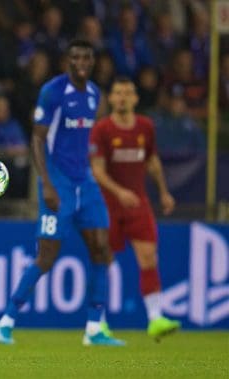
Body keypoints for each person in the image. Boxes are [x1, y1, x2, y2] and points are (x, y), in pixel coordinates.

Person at [0, 39, 125, 346]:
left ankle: (94, 328)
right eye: (76, 56)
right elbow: (38, 140)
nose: (82, 62)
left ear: (93, 61)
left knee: (102, 250)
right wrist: (47, 184)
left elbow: (92, 138)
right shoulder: (53, 92)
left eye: (87, 57)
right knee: (47, 256)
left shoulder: (95, 96)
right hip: (58, 183)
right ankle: (6, 320)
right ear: (68, 60)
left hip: (86, 184)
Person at [89, 77, 181, 339]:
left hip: (138, 204)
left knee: (149, 257)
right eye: (117, 93)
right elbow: (97, 170)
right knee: (103, 262)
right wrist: (119, 192)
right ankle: (98, 323)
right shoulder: (102, 130)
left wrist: (163, 192)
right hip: (107, 206)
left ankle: (155, 319)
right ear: (111, 98)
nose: (122, 98)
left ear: (136, 98)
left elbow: (152, 159)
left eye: (127, 93)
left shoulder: (145, 127)